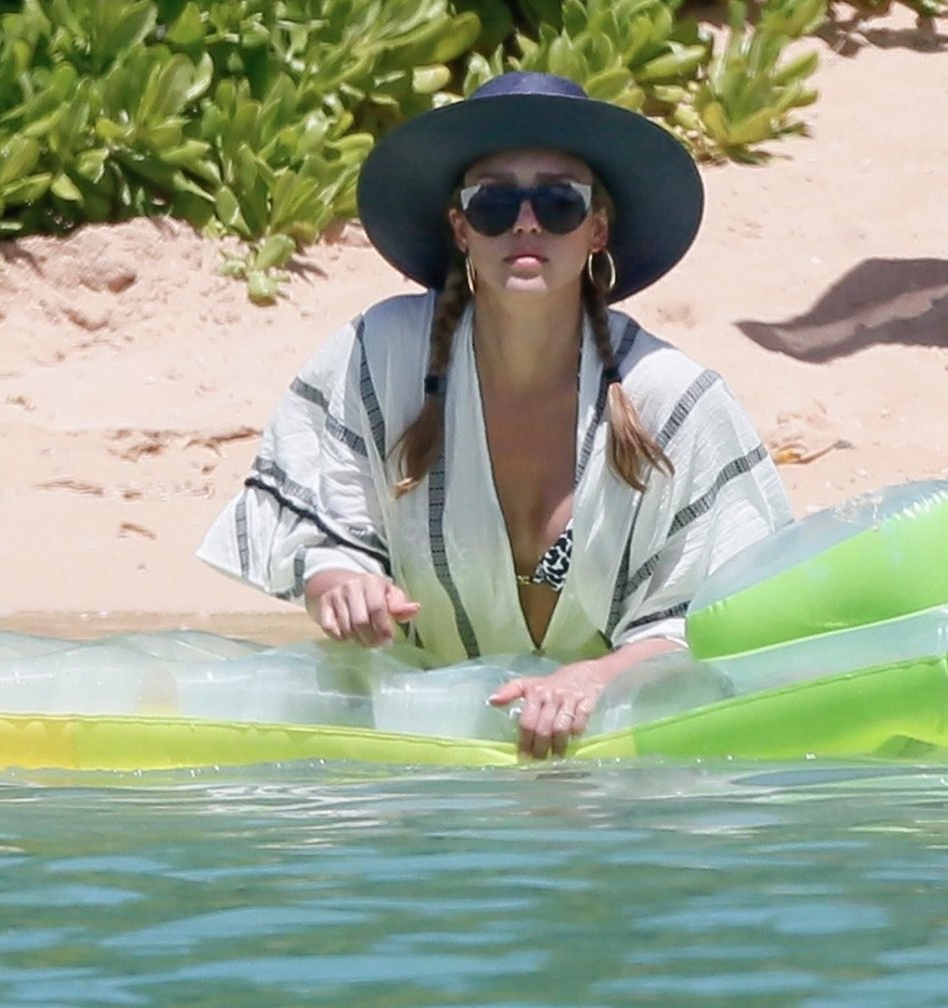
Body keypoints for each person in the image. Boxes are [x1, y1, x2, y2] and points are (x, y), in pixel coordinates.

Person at [199, 72, 793, 759]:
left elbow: (723, 620)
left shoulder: (676, 399)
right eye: (494, 202)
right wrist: (338, 585)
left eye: (559, 202)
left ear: (597, 229)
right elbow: (323, 534)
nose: (526, 222)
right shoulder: (382, 354)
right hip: (429, 764)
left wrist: (596, 678)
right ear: (461, 227)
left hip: (619, 774)